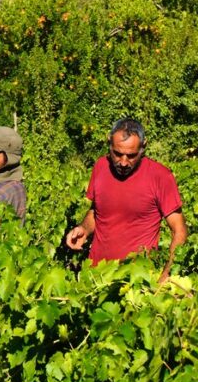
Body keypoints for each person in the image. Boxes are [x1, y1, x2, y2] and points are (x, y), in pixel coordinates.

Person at [65, 118, 188, 282]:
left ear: (143, 147)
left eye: (131, 156)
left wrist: (166, 275)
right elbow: (97, 211)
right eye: (117, 154)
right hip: (96, 276)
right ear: (109, 143)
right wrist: (84, 229)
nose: (123, 162)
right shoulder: (100, 167)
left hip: (136, 282)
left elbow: (179, 231)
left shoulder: (160, 177)